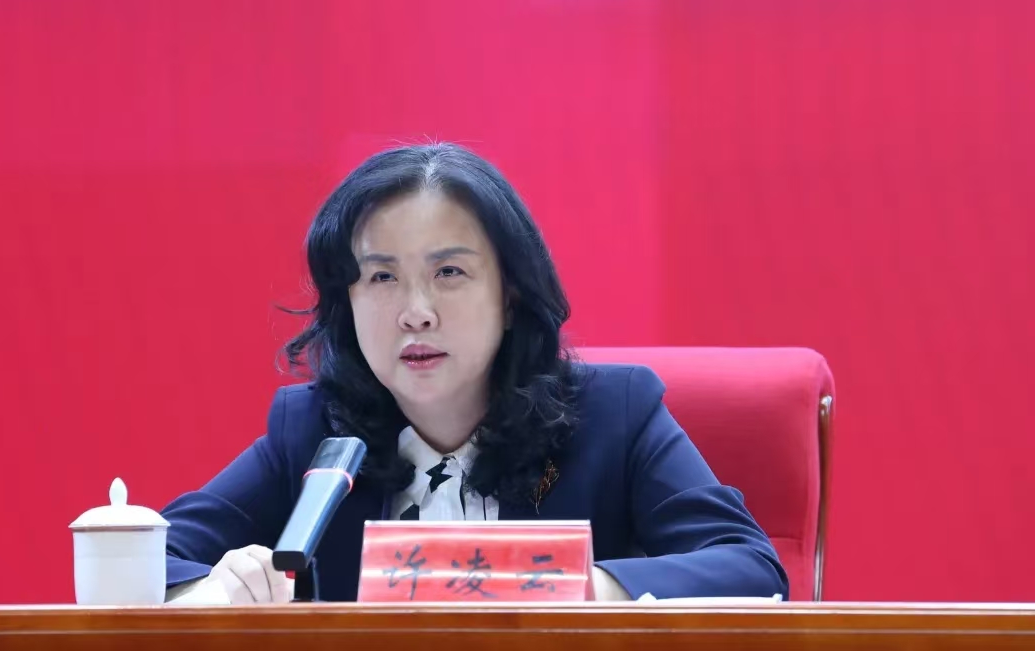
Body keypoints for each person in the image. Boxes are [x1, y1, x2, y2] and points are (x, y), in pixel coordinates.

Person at [161, 143, 787, 604]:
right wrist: (221, 588)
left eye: (449, 273)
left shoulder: (613, 417)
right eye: (382, 277)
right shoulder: (314, 435)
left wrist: (575, 587)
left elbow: (751, 568)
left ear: (510, 294)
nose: (416, 313)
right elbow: (152, 560)